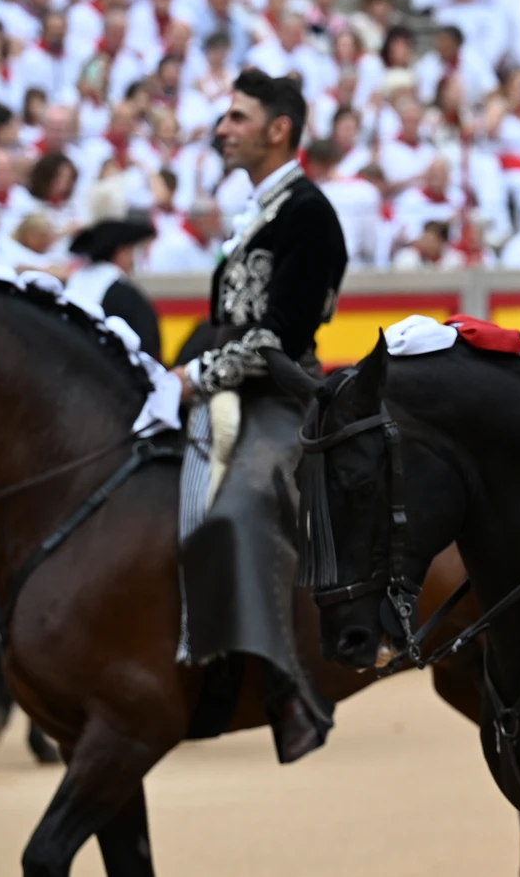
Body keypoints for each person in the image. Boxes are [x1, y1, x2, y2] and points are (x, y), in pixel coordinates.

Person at [175, 69, 348, 765]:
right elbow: (226, 322)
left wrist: (194, 375)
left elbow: (274, 337)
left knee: (242, 503)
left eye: (237, 117)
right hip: (230, 387)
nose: (224, 128)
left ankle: (284, 684)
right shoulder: (259, 213)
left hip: (281, 392)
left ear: (279, 129)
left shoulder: (309, 214)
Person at [65, 214, 163, 359]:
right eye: (132, 252)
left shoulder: (70, 285)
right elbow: (147, 350)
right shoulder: (128, 298)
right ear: (121, 252)